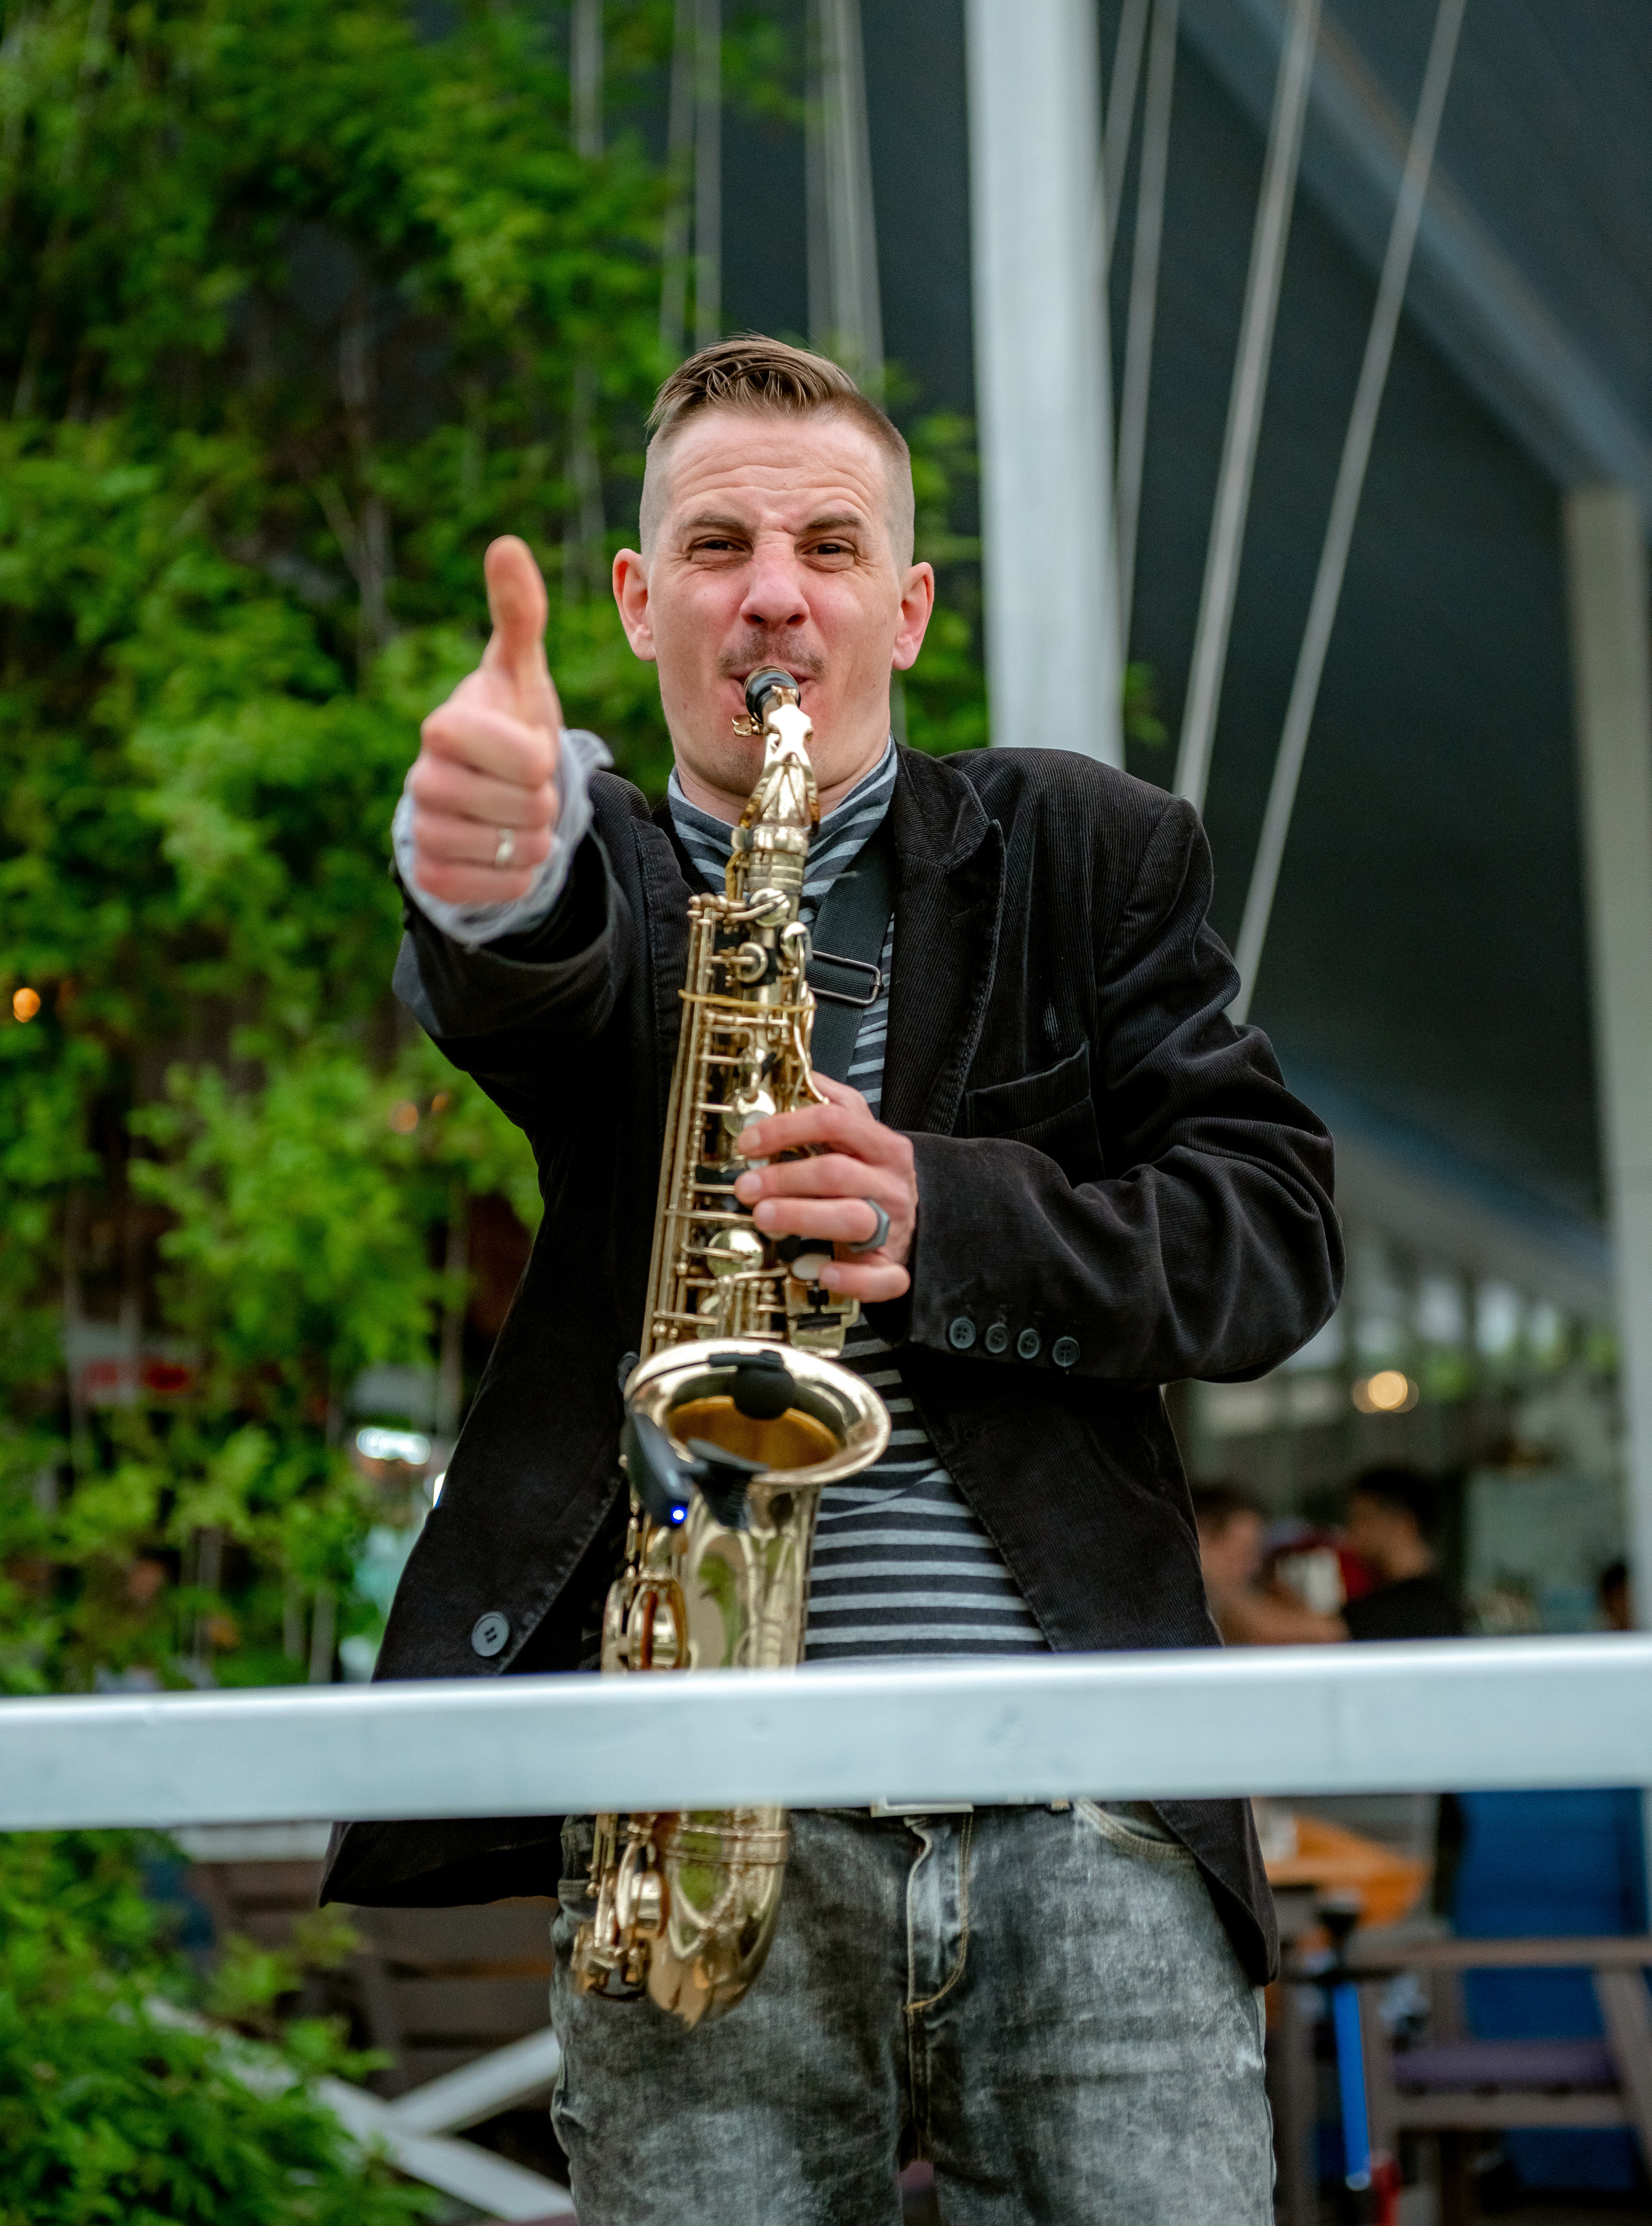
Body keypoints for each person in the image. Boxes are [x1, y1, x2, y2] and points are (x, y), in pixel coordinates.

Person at [322, 337, 1343, 2225]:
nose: (772, 593)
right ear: (635, 604)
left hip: (1085, 1810)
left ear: (906, 602)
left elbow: (1269, 1236)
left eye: (824, 544)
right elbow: (513, 962)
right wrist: (480, 862)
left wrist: (942, 1218)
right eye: (713, 545)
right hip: (701, 1816)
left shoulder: (1088, 856)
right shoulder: (602, 865)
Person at [1192, 1480, 1344, 1646]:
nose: (1254, 1566)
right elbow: (1266, 1630)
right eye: (1244, 1552)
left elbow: (1330, 1630)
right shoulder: (1197, 1597)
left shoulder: (1233, 1601)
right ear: (1202, 1536)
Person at [1340, 1466, 1463, 1641]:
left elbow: (1324, 1631)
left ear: (1405, 1525)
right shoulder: (1439, 1599)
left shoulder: (1415, 1607)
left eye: (1364, 1519)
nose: (1353, 1532)